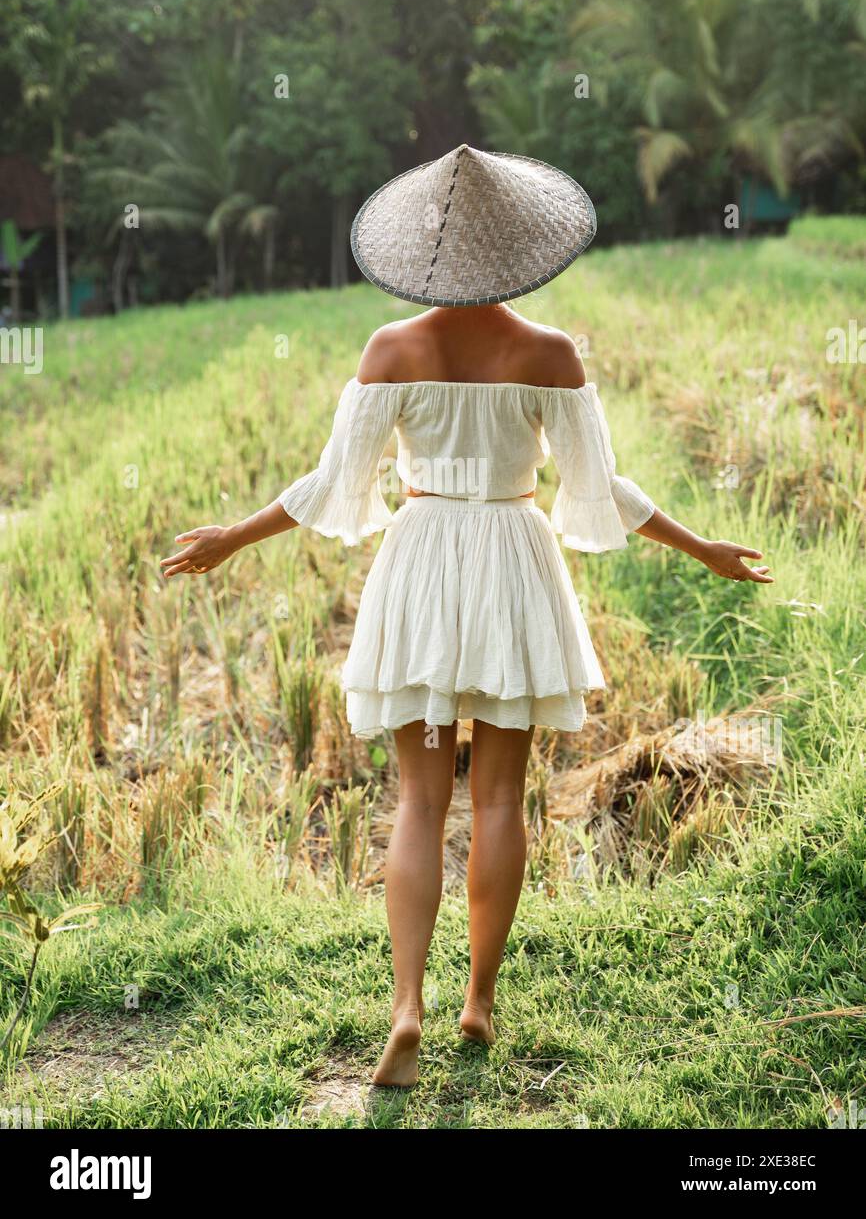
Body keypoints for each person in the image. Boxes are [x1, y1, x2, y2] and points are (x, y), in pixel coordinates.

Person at [160, 145, 773, 1087]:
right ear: (525, 248)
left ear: (426, 253)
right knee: (497, 800)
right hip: (514, 564)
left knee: (417, 801)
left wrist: (231, 537)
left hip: (420, 561)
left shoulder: (391, 350)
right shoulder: (548, 354)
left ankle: (404, 1009)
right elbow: (600, 489)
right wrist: (706, 550)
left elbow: (332, 487)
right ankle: (477, 1004)